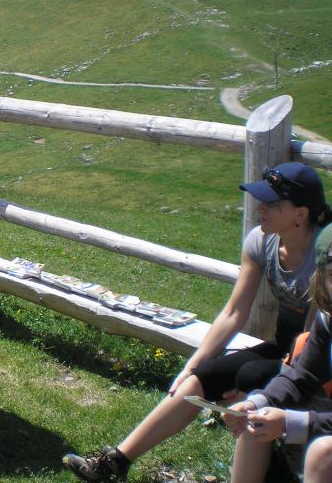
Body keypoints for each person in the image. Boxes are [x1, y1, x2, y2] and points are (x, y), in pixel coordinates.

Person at [63, 161, 331, 482]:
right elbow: (234, 312)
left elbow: (311, 348)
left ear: (300, 214)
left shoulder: (326, 258)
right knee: (201, 377)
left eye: (272, 203)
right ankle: (116, 462)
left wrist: (253, 397)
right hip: (287, 344)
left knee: (249, 377)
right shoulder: (261, 241)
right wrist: (193, 364)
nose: (260, 208)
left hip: (314, 355)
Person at [227, 224, 332, 483]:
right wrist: (258, 403)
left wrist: (291, 423)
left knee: (324, 452)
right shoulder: (328, 319)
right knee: (258, 420)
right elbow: (302, 373)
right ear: (321, 279)